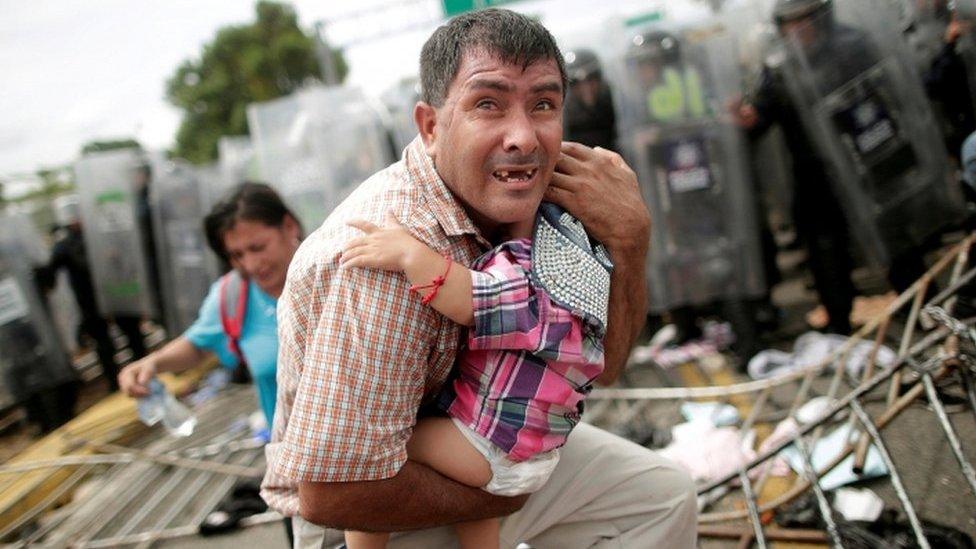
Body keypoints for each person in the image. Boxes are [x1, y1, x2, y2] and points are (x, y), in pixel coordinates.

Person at [261, 8, 697, 549]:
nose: (522, 137)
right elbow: (333, 495)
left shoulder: (545, 202)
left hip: (493, 438)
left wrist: (631, 241)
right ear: (431, 126)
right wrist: (503, 494)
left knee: (663, 497)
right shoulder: (387, 257)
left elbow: (605, 365)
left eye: (543, 104)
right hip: (372, 505)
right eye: (487, 104)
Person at [341, 199, 612, 549]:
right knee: (473, 503)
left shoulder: (527, 278)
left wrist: (408, 252)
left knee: (374, 455)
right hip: (530, 457)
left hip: (485, 449)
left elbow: (467, 297)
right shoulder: (581, 286)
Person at [117, 182, 301, 430]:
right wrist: (153, 363)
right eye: (236, 255)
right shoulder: (233, 296)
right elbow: (197, 345)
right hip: (295, 454)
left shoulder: (337, 277)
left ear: (289, 226)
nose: (251, 264)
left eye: (258, 247)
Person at [37, 196, 123, 391]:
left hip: (110, 292)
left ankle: (129, 372)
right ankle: (114, 382)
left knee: (124, 332)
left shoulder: (93, 236)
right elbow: (51, 273)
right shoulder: (66, 244)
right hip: (89, 299)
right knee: (103, 343)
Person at [563, 48, 617, 151]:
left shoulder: (611, 104)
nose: (586, 88)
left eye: (592, 78)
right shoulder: (565, 116)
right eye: (576, 83)